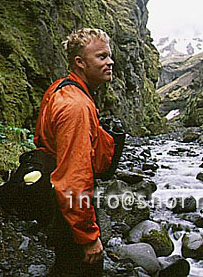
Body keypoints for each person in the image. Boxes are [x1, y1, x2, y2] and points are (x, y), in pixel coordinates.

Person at [34, 28, 116, 276]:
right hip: (69, 209)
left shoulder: (61, 88)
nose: (110, 62)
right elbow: (74, 177)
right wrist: (88, 237)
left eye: (109, 56)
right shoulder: (76, 107)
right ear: (80, 63)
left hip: (58, 202)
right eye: (101, 57)